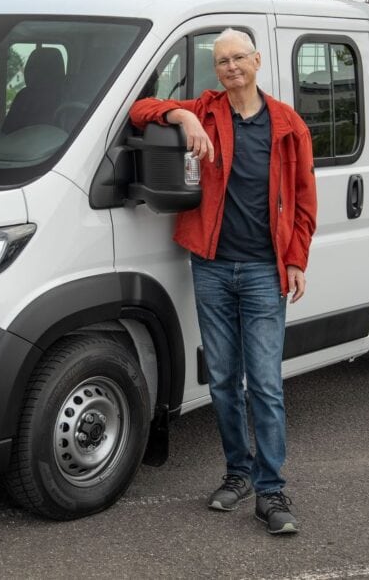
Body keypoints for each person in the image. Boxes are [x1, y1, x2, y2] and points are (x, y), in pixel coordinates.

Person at [129, 28, 317, 535]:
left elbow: (303, 200)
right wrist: (183, 114)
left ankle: (272, 491)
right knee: (224, 383)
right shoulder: (207, 108)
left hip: (263, 271)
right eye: (221, 61)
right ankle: (237, 475)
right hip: (210, 266)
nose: (230, 67)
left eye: (238, 58)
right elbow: (141, 109)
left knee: (266, 385)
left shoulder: (286, 125)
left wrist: (295, 260)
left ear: (257, 61)